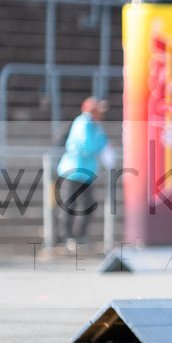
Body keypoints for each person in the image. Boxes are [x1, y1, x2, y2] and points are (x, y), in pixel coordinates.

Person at [56, 97, 109, 250]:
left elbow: (102, 142)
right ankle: (66, 238)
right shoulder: (83, 122)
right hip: (72, 171)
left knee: (88, 205)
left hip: (86, 173)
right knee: (69, 206)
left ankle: (79, 236)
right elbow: (88, 145)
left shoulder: (96, 125)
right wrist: (101, 146)